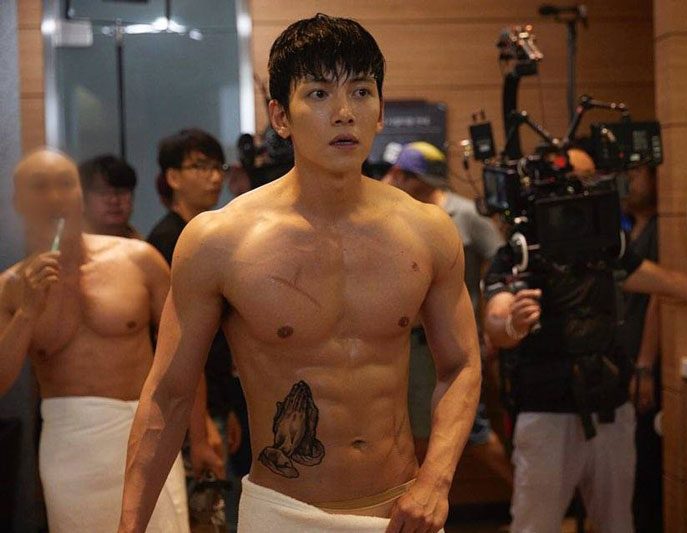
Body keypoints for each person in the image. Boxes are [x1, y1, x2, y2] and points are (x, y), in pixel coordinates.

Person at [119, 14, 481, 533]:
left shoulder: (427, 230)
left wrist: (436, 481)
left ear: (381, 113)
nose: (344, 113)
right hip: (283, 513)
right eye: (318, 94)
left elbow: (462, 365)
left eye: (361, 92)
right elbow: (168, 395)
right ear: (280, 116)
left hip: (403, 512)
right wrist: (130, 526)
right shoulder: (219, 241)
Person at [482, 149, 687, 533]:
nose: (582, 192)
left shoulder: (605, 248)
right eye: (573, 183)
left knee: (618, 523)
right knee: (535, 527)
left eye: (590, 181)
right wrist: (514, 323)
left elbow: (665, 282)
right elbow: (496, 321)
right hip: (547, 414)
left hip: (611, 410)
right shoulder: (520, 253)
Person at [0, 148, 210, 532]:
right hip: (71, 446)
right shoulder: (12, 286)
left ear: (79, 194)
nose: (55, 196)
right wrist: (28, 313)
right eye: (39, 187)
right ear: (18, 201)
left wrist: (200, 436)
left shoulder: (139, 259)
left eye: (65, 184)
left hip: (146, 432)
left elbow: (184, 352)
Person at [383, 141, 512, 488]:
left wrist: (494, 319)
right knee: (409, 436)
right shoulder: (388, 213)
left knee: (474, 432)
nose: (426, 190)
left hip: (453, 339)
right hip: (408, 346)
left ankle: (522, 500)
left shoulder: (465, 214)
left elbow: (503, 264)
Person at [147, 128, 243, 530]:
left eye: (218, 166)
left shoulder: (206, 235)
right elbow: (177, 348)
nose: (215, 177)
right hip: (188, 410)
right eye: (200, 167)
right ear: (173, 177)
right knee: (206, 517)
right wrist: (200, 428)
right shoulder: (169, 241)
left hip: (215, 398)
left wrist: (225, 407)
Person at [618, 162, 663, 533]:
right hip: (625, 360)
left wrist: (645, 365)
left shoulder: (661, 229)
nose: (627, 182)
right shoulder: (628, 229)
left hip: (644, 366)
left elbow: (658, 300)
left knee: (647, 465)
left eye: (635, 175)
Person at [79, 153, 142, 239]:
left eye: (121, 192)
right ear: (83, 199)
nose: (114, 200)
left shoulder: (141, 244)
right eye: (103, 193)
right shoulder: (66, 243)